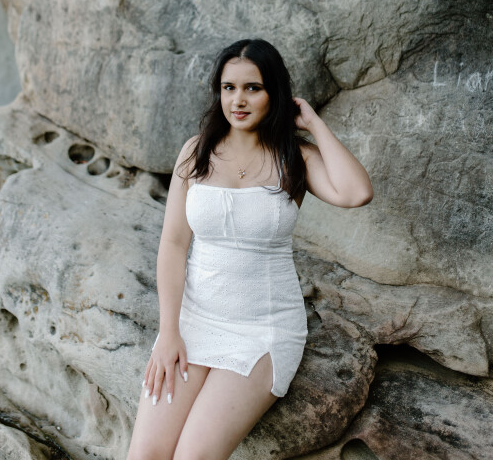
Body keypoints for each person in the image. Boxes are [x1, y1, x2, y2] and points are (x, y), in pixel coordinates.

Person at [126, 38, 373, 460]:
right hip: (194, 322)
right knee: (145, 454)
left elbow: (356, 193)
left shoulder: (295, 156)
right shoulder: (196, 151)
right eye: (229, 88)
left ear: (274, 93)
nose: (238, 100)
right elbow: (173, 244)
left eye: (252, 88)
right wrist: (168, 333)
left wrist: (314, 124)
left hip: (262, 331)